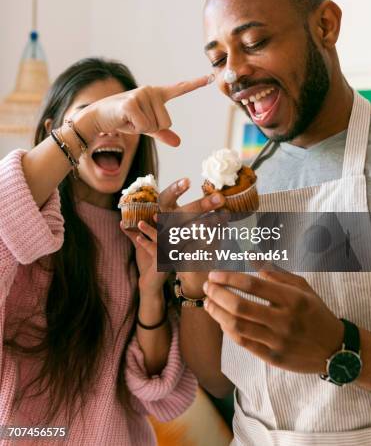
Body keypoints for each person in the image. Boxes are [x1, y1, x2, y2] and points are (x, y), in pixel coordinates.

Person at [157, 0, 371, 445]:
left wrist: (339, 348)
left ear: (326, 26)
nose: (233, 75)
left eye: (254, 42)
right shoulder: (239, 190)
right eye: (218, 60)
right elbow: (218, 380)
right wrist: (188, 270)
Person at [0, 57, 212, 445]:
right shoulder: (26, 225)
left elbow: (156, 395)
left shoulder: (147, 234)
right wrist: (91, 124)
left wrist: (153, 288)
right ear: (54, 130)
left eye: (123, 117)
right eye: (95, 115)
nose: (111, 127)